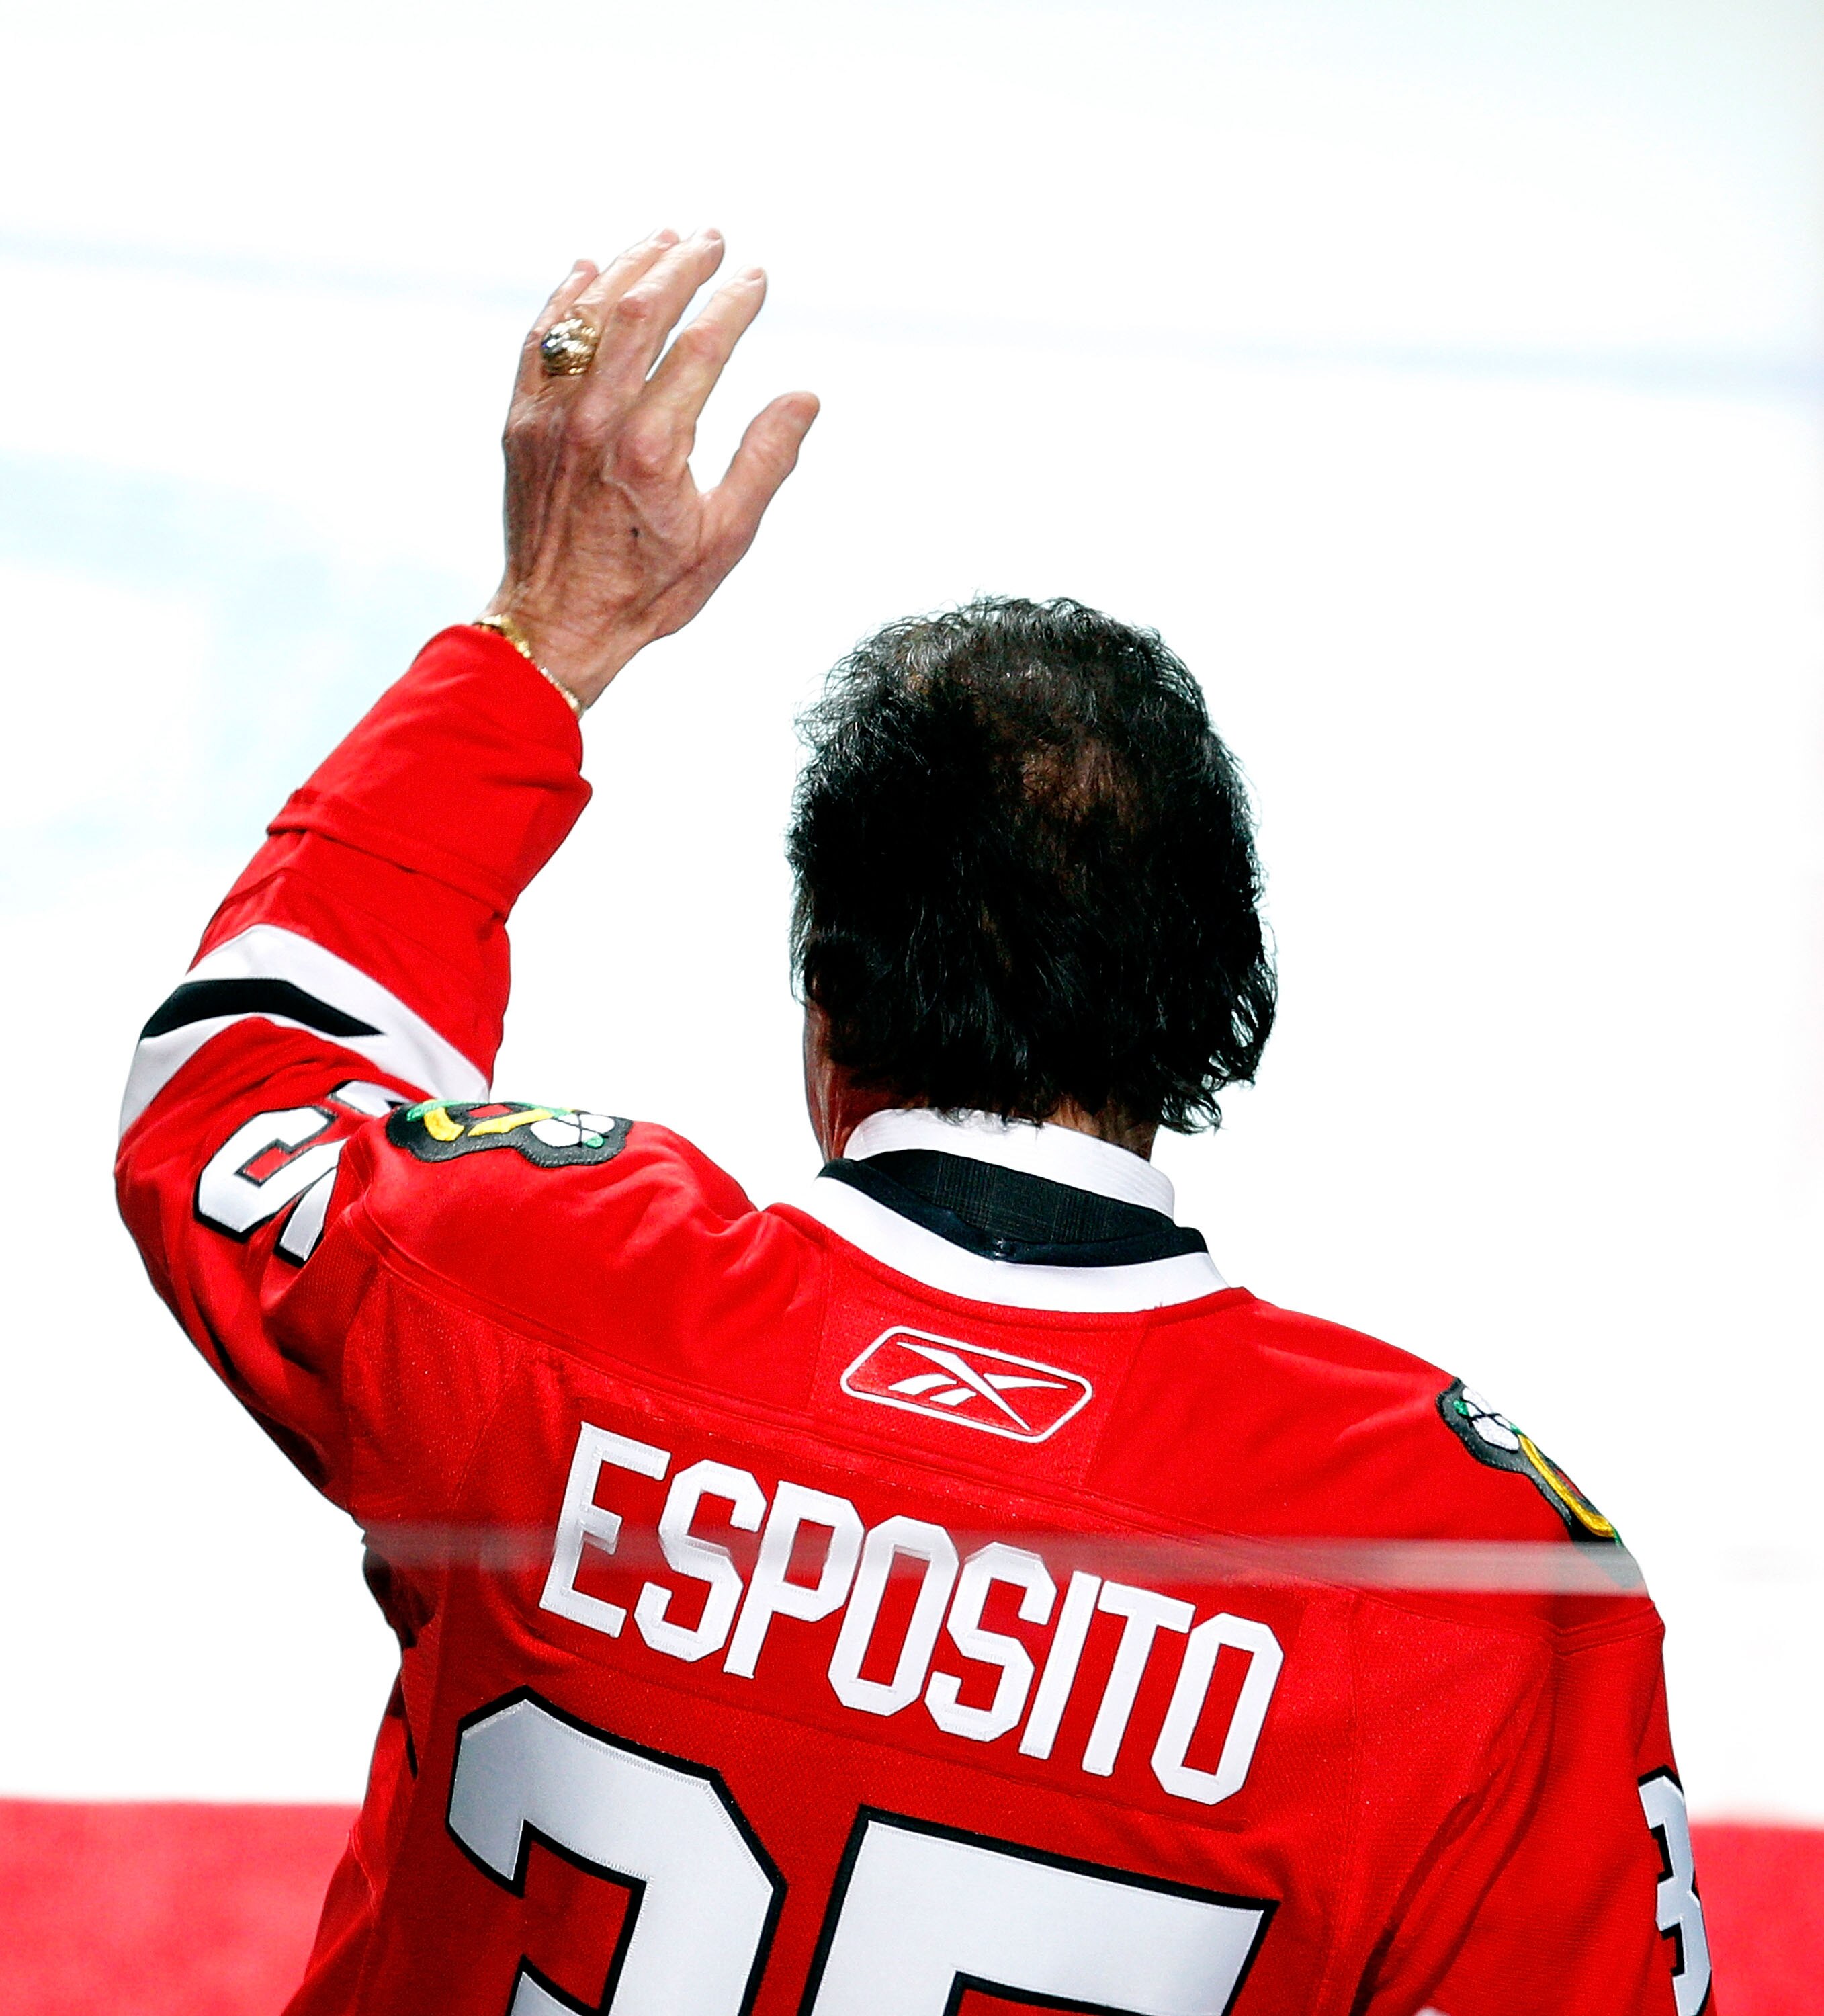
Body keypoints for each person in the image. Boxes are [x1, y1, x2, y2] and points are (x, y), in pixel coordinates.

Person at [116, 228, 1710, 2016]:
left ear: (827, 998)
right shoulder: (1471, 1571)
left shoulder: (534, 1294)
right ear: (1217, 1007)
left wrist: (539, 641)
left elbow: (238, 1078)